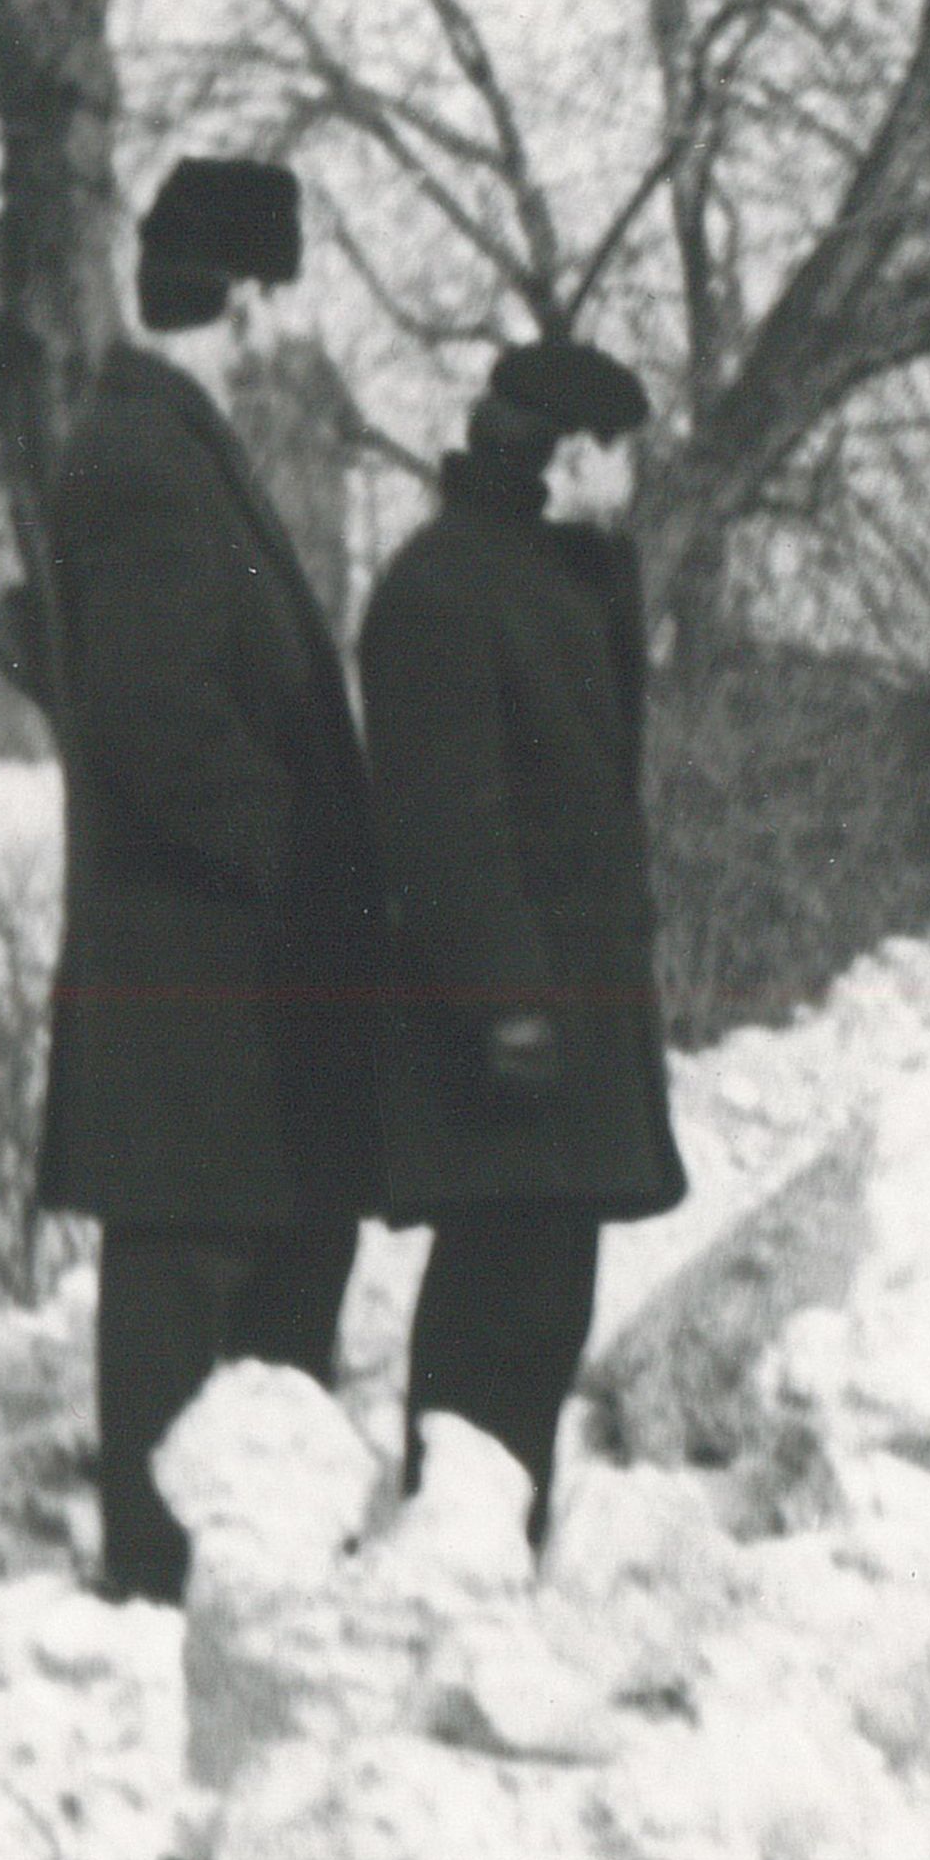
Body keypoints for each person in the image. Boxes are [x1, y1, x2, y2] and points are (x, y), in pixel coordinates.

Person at [37, 153, 379, 1604]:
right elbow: (155, 717)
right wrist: (296, 857)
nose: (273, 338)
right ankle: (160, 1575)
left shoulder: (156, 446)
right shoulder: (151, 460)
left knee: (239, 1251)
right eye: (270, 305)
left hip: (211, 968)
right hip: (199, 967)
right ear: (238, 302)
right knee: (185, 1274)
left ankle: (215, 1557)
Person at [358, 337, 684, 1545]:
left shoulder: (553, 577)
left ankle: (499, 1543)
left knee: (541, 1307)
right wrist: (507, 1003)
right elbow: (445, 827)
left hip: (564, 1016)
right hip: (508, 1028)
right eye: (625, 457)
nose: (636, 483)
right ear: (575, 453)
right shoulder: (444, 590)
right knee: (495, 1311)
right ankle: (456, 1555)